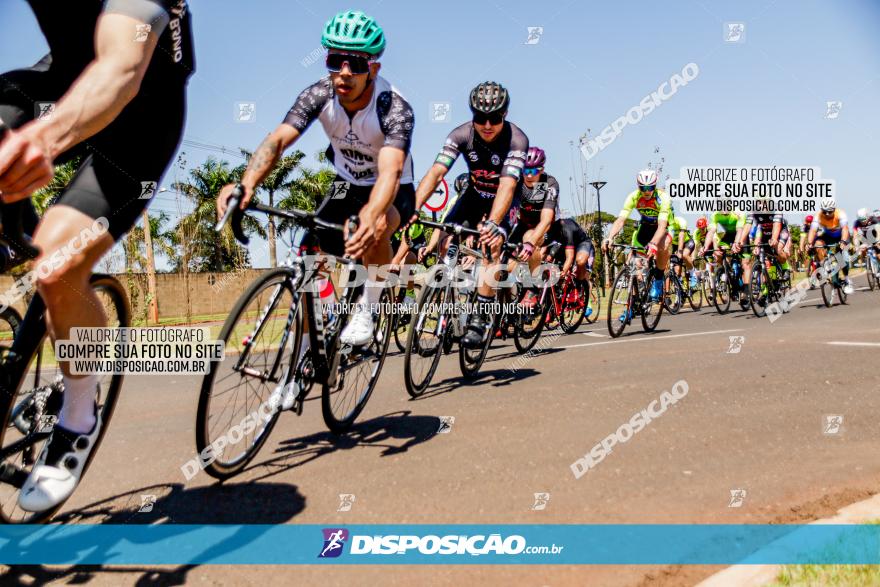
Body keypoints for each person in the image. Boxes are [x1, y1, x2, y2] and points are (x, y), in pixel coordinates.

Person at [0, 0, 194, 512]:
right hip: (60, 79)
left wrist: (42, 140)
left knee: (58, 261)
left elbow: (120, 71)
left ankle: (78, 416)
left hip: (140, 116)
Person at [218, 9, 414, 355]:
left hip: (393, 189)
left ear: (374, 69)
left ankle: (368, 311)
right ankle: (310, 345)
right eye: (336, 60)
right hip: (347, 183)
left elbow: (391, 170)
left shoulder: (393, 108)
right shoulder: (318, 94)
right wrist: (247, 182)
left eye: (355, 64)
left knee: (378, 225)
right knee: (309, 253)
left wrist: (370, 215)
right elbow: (278, 140)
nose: (344, 72)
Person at [412, 81, 529, 348]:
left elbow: (508, 185)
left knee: (492, 243)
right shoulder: (460, 135)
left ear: (505, 115)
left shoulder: (517, 139)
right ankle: (448, 303)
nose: (487, 125)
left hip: (505, 199)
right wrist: (413, 208)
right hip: (474, 196)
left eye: (495, 118)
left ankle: (481, 315)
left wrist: (494, 223)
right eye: (480, 117)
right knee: (445, 234)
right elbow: (436, 172)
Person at [602, 169, 672, 306]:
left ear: (655, 185)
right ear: (638, 185)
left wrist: (653, 244)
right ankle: (633, 299)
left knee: (663, 246)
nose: (646, 191)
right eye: (643, 187)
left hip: (662, 227)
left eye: (650, 187)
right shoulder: (633, 197)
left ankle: (658, 280)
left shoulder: (662, 198)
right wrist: (609, 237)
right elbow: (620, 220)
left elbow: (662, 225)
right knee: (633, 262)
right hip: (645, 227)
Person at [507, 147, 560, 308]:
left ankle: (533, 288)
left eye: (533, 170)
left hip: (546, 226)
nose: (529, 175)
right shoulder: (517, 181)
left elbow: (545, 219)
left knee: (530, 237)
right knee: (504, 262)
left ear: (542, 169)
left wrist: (531, 243)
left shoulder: (548, 183)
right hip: (523, 224)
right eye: (525, 170)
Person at [807, 198, 853, 294]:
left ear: (834, 209)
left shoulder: (840, 214)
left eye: (829, 211)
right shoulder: (818, 216)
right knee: (817, 245)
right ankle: (824, 265)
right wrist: (809, 243)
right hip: (828, 236)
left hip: (841, 236)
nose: (827, 214)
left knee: (842, 257)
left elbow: (845, 229)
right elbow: (813, 230)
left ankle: (847, 279)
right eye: (824, 212)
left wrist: (843, 241)